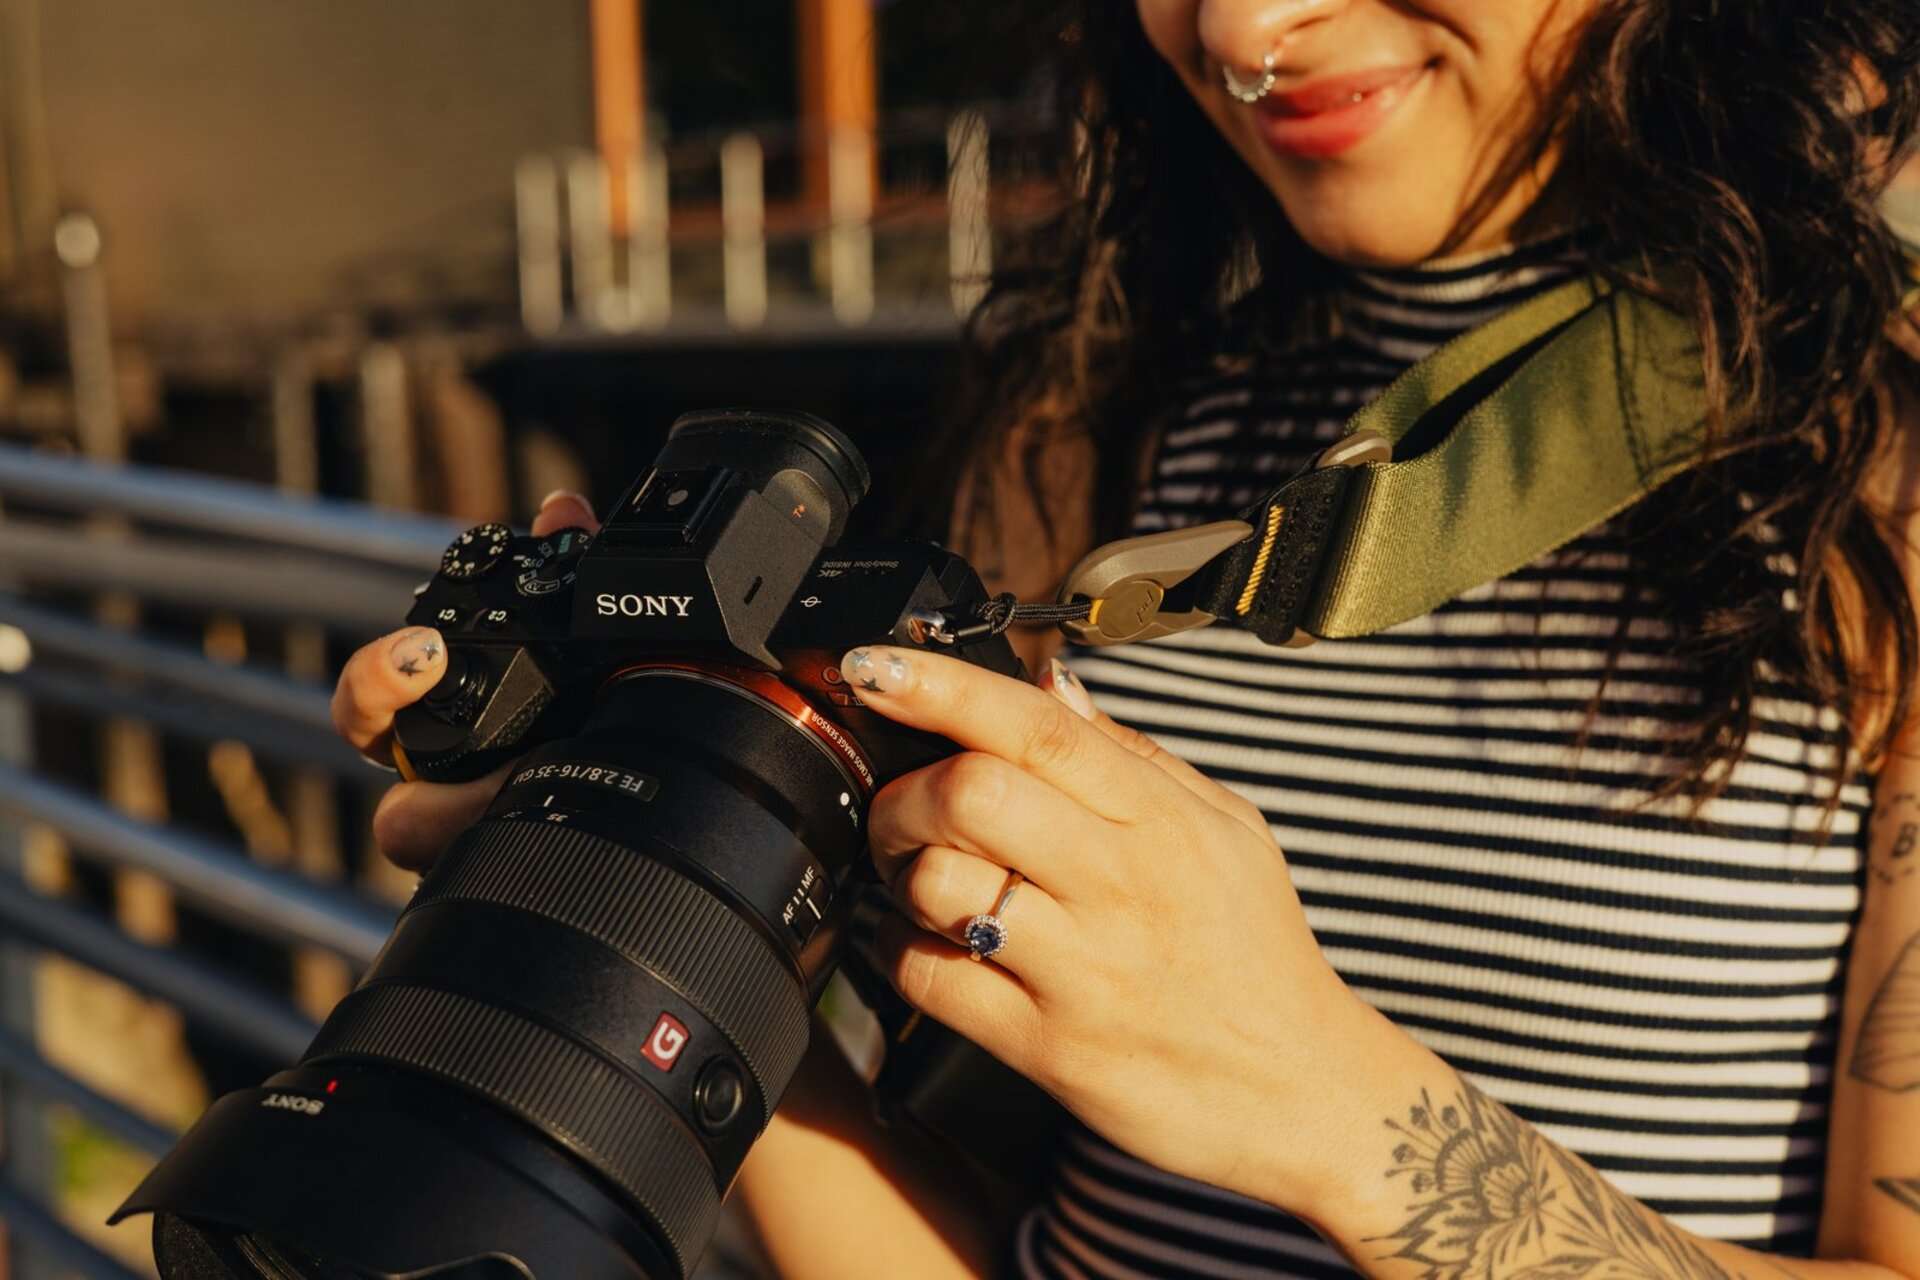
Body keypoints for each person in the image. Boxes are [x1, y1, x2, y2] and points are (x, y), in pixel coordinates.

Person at [333, 2, 1920, 1277]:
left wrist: (1324, 1101)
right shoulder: (1094, 425)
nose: (1242, 29)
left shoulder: (1886, 483)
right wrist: (653, 917)